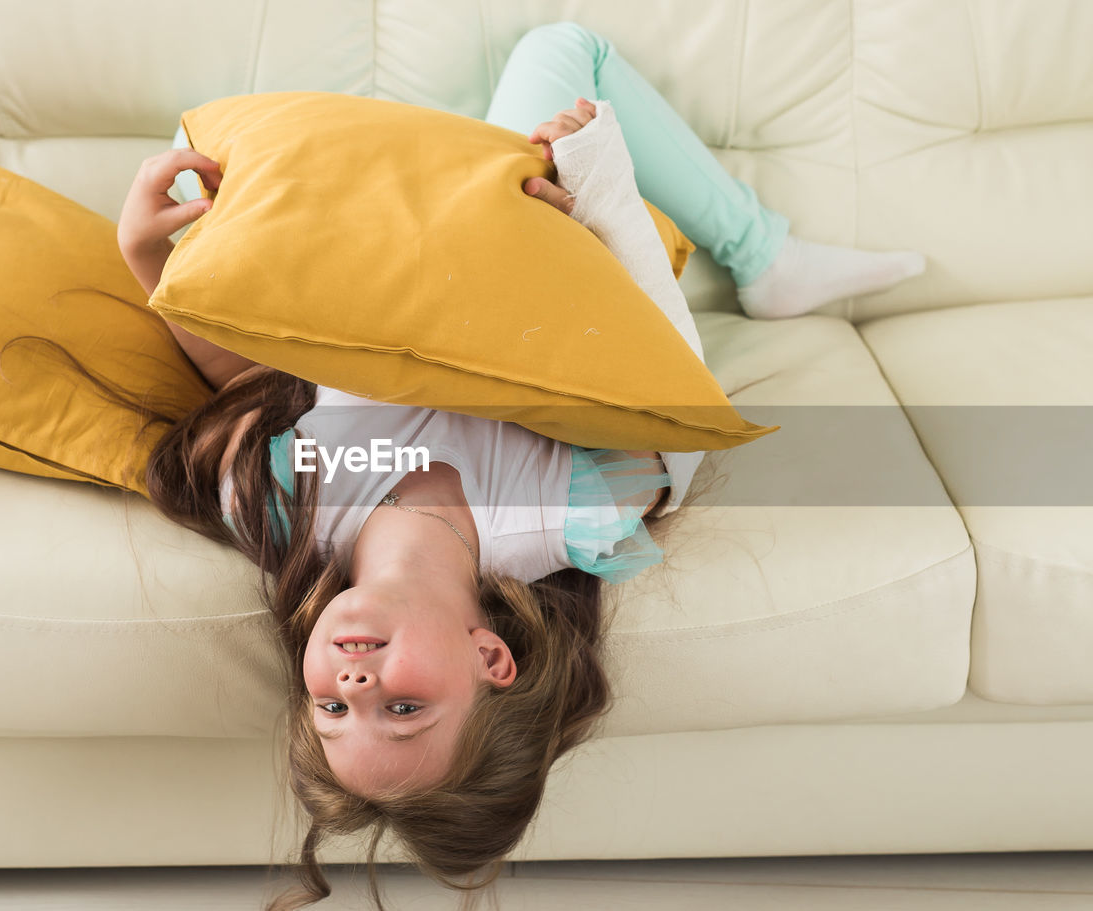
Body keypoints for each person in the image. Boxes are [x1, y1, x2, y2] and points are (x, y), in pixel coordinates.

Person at [111, 22, 926, 910]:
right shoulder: (568, 513)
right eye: (404, 708)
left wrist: (148, 259)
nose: (354, 684)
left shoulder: (285, 511)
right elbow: (673, 387)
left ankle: (753, 250)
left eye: (334, 712)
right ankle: (763, 255)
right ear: (491, 658)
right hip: (495, 243)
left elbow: (253, 381)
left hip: (390, 238)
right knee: (564, 50)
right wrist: (598, 201)